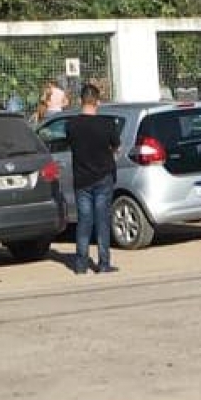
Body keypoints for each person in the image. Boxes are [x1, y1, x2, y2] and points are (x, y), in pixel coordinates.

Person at [66, 83, 120, 274]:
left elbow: (71, 145)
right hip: (103, 176)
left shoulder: (71, 125)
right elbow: (116, 147)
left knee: (84, 221)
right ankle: (104, 263)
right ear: (97, 101)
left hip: (81, 179)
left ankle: (81, 265)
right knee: (102, 220)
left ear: (81, 100)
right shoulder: (107, 124)